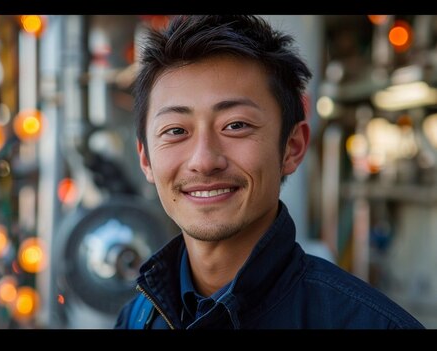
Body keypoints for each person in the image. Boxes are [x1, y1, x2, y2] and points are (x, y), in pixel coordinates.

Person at [114, 15, 425, 329]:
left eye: (236, 125)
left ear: (292, 147)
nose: (204, 160)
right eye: (176, 130)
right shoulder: (137, 318)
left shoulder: (369, 324)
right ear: (146, 159)